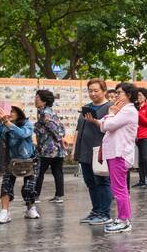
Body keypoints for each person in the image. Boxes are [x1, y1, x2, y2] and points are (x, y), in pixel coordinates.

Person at [88, 82, 138, 233]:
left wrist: (110, 112)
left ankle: (123, 220)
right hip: (115, 153)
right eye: (115, 93)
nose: (116, 96)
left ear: (128, 95)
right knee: (119, 188)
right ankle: (123, 218)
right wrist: (110, 115)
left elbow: (108, 125)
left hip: (119, 154)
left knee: (119, 189)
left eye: (119, 93)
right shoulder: (122, 111)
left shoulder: (128, 111)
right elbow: (103, 125)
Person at [74, 79, 113, 225]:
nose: (93, 93)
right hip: (84, 150)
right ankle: (95, 210)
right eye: (90, 90)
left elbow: (111, 127)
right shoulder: (86, 108)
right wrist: (74, 149)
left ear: (104, 91)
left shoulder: (110, 107)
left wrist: (95, 122)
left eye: (96, 90)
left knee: (102, 181)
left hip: (100, 151)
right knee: (90, 182)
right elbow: (79, 129)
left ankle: (105, 213)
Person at [0, 105, 39, 223]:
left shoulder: (26, 124)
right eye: (8, 111)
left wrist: (7, 122)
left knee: (29, 187)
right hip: (12, 161)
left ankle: (30, 208)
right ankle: (4, 212)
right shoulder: (2, 126)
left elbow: (23, 134)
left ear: (19, 113)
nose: (9, 113)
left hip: (29, 160)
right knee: (6, 186)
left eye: (12, 111)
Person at [33, 89, 67, 202]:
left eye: (37, 98)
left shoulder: (45, 113)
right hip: (57, 149)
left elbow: (54, 129)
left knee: (39, 171)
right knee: (57, 171)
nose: (35, 100)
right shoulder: (48, 111)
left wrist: (58, 138)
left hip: (48, 149)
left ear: (44, 101)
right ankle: (59, 196)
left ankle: (35, 195)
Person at [132, 87, 147, 188]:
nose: (138, 97)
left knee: (146, 158)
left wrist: (137, 113)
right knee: (140, 159)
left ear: (145, 97)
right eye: (137, 95)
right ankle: (142, 180)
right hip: (137, 136)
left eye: (140, 95)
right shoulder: (136, 107)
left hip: (146, 136)